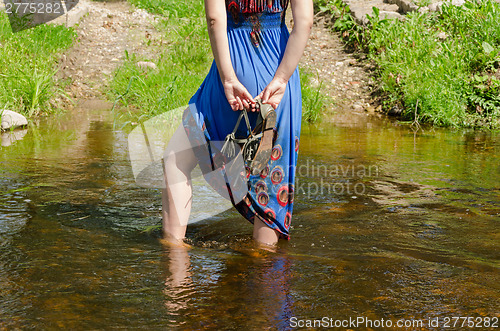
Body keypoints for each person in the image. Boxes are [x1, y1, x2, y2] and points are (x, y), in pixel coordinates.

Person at [161, 0, 313, 246]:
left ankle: (175, 262)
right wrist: (282, 79)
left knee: (175, 160)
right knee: (269, 183)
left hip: (231, 76)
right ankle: (265, 271)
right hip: (277, 79)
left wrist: (228, 78)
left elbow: (215, 21)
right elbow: (304, 23)